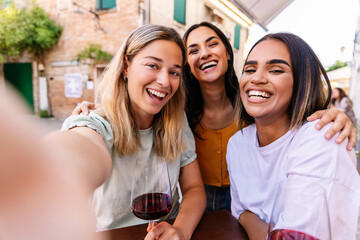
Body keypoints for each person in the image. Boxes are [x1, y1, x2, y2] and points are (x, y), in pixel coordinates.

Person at [73, 22, 358, 213]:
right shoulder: (177, 111)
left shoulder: (255, 103)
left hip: (253, 199)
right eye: (193, 50)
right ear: (187, 67)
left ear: (227, 51)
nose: (204, 53)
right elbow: (120, 116)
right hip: (201, 201)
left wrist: (333, 114)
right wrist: (96, 112)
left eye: (212, 44)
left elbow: (296, 117)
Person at [50, 24, 206, 240]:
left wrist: (179, 230)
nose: (164, 81)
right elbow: (79, 148)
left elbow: (194, 189)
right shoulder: (97, 122)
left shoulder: (177, 122)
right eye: (153, 65)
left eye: (174, 72)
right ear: (126, 66)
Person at [227, 33, 360, 239]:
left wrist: (250, 219)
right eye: (250, 69)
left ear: (302, 82)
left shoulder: (322, 138)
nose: (256, 78)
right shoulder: (237, 143)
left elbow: (292, 236)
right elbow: (239, 212)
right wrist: (247, 217)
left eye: (276, 70)